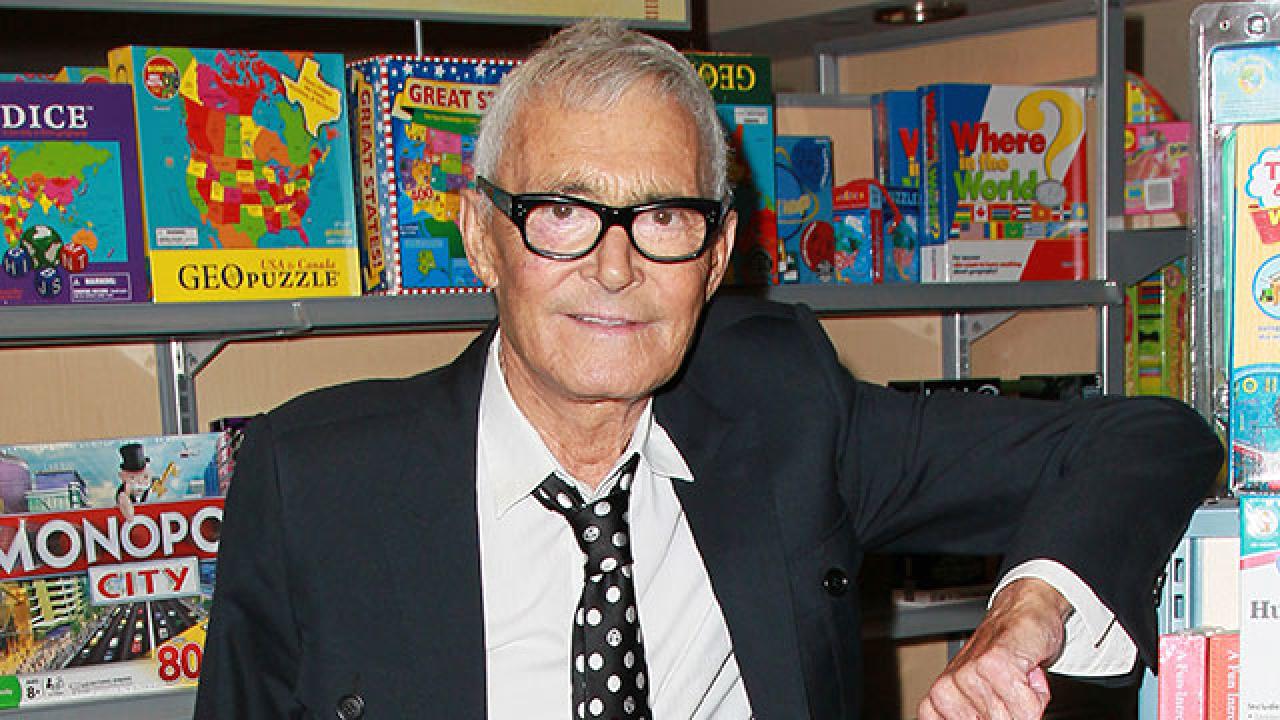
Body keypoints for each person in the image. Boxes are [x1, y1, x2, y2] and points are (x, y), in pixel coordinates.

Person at [194, 18, 1222, 720]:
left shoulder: (781, 410)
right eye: (561, 212)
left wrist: (1025, 610)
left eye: (663, 217)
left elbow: (1147, 438)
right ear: (481, 235)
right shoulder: (314, 483)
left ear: (718, 253)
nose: (615, 267)